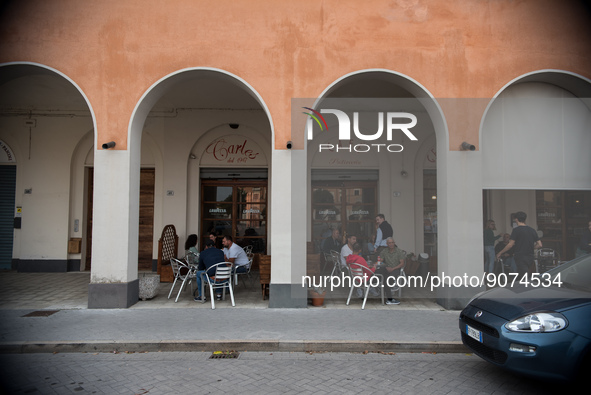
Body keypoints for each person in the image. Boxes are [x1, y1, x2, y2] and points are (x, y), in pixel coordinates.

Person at [496, 211, 542, 279]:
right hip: (530, 256)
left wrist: (500, 252)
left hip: (520, 256)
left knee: (523, 275)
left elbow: (510, 245)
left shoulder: (516, 230)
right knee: (525, 273)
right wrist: (531, 248)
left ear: (516, 219)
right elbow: (540, 245)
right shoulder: (532, 230)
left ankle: (523, 287)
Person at [375, 237, 406, 305]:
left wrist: (393, 268)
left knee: (388, 279)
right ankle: (377, 290)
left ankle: (388, 297)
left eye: (392, 242)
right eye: (389, 243)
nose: (391, 244)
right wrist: (375, 265)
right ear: (387, 244)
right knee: (377, 273)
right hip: (387, 268)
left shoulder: (399, 251)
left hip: (395, 269)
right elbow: (380, 261)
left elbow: (402, 263)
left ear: (394, 243)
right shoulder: (385, 251)